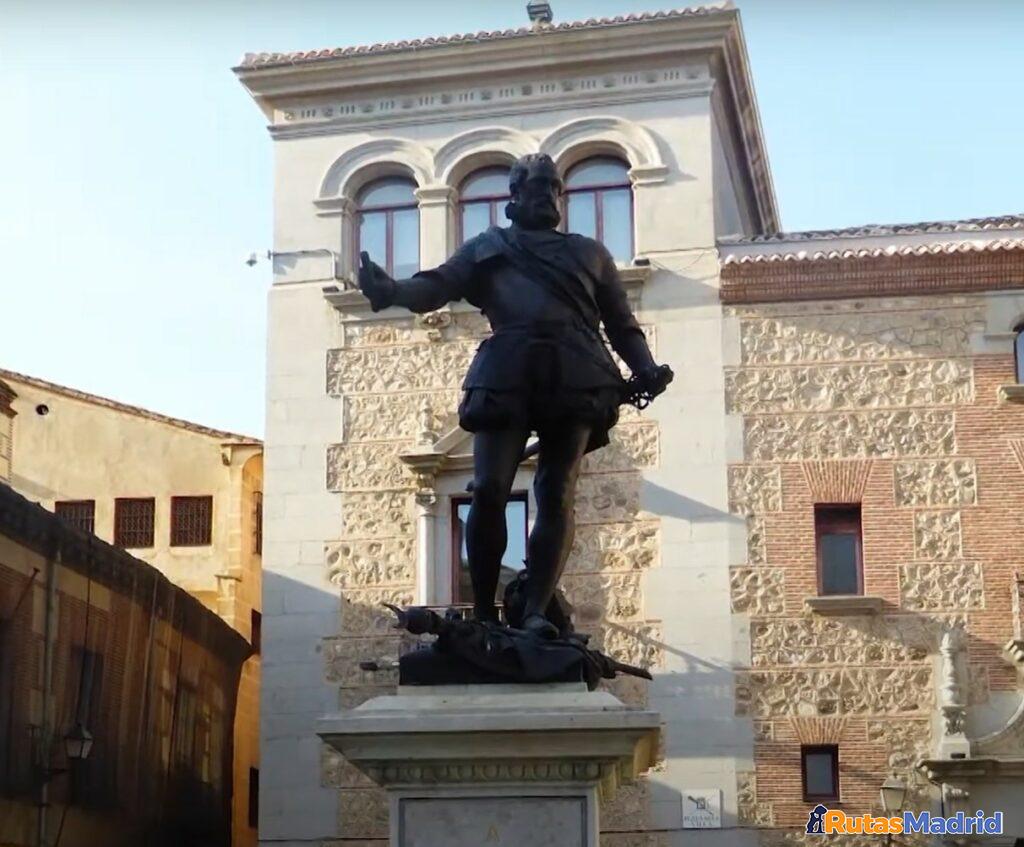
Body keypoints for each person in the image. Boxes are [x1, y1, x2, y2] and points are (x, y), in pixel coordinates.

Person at [359, 153, 672, 638]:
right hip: (507, 369)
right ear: (514, 198)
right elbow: (437, 286)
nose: (547, 195)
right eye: (537, 186)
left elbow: (621, 324)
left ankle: (533, 613)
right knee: (487, 489)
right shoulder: (490, 247)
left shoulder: (590, 254)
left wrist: (646, 368)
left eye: (554, 187)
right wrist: (391, 290)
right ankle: (484, 611)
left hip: (575, 372)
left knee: (556, 494)